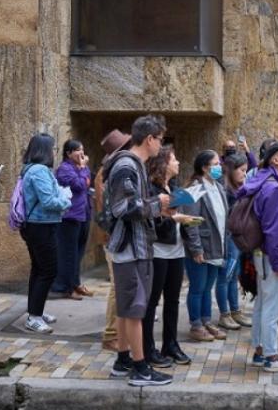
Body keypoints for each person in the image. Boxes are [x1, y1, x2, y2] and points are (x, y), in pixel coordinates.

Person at [105, 115, 173, 387]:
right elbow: (124, 208)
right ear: (150, 139)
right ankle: (140, 368)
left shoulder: (132, 165)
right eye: (161, 139)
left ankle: (123, 361)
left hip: (133, 247)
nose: (161, 146)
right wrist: (158, 204)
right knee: (134, 310)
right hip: (131, 248)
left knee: (126, 309)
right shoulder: (127, 165)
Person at [238, 141, 278, 372]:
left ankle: (260, 350)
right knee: (273, 308)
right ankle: (272, 357)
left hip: (263, 254)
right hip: (271, 255)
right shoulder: (273, 187)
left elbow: (275, 222)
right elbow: (272, 230)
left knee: (264, 304)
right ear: (275, 160)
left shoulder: (268, 182)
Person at [143, 145, 197, 367]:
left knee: (173, 300)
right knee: (152, 301)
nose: (177, 163)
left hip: (176, 250)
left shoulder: (173, 186)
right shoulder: (151, 189)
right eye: (174, 159)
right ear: (163, 163)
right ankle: (148, 349)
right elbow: (150, 220)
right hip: (158, 251)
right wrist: (174, 220)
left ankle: (171, 344)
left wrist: (183, 220)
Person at [19, 133, 73, 334]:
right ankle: (33, 317)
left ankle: (36, 312)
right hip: (40, 225)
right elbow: (49, 201)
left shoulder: (31, 169)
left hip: (37, 225)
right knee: (49, 270)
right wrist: (66, 202)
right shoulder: (39, 171)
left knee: (39, 269)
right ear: (45, 150)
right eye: (53, 148)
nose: (54, 152)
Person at [181, 150, 228, 343]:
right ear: (204, 167)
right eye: (215, 163)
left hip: (216, 245)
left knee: (208, 286)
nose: (219, 167)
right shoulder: (194, 188)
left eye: (219, 163)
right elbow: (190, 222)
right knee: (198, 287)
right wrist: (196, 249)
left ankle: (206, 321)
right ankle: (196, 324)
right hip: (201, 246)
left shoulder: (218, 186)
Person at [99, 129, 132, 352]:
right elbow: (105, 208)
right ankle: (111, 334)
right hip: (112, 235)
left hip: (115, 234)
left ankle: (118, 331)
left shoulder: (115, 170)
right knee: (116, 286)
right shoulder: (108, 173)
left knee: (119, 286)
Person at [52, 139, 93, 301]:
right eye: (77, 150)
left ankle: (75, 283)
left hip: (83, 215)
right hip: (69, 217)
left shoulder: (81, 168)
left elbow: (87, 181)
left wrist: (83, 171)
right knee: (68, 254)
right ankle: (66, 288)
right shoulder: (64, 169)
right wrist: (83, 169)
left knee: (79, 253)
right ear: (68, 153)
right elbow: (79, 185)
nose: (81, 153)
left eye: (82, 149)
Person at [218, 153, 252, 329]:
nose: (245, 174)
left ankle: (235, 310)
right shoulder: (225, 190)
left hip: (238, 238)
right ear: (231, 171)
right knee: (226, 276)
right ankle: (224, 314)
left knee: (233, 276)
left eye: (246, 170)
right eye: (242, 170)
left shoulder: (240, 188)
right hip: (229, 237)